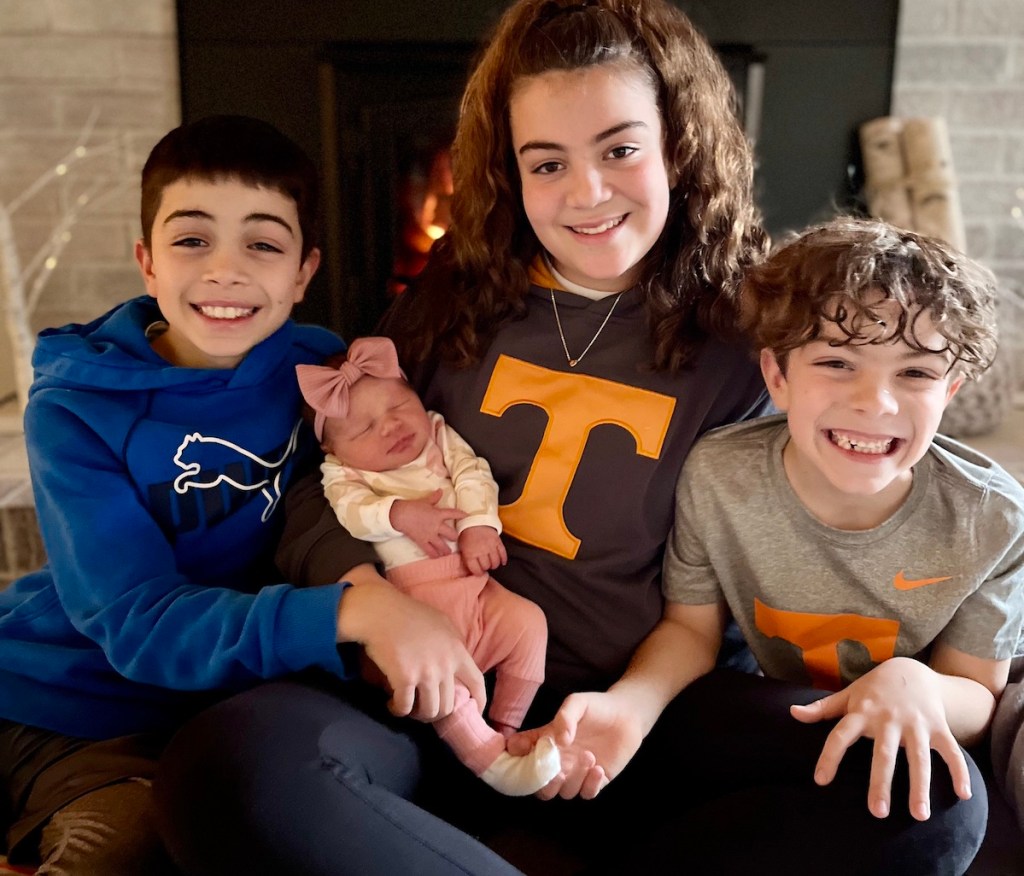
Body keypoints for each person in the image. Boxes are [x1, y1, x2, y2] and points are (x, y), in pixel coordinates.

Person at [154, 1, 774, 873]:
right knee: (222, 772)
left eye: (621, 149)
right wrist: (375, 604)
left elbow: (721, 602)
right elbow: (315, 488)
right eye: (546, 162)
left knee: (923, 804)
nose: (587, 193)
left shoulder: (745, 344)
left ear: (680, 143)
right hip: (424, 696)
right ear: (509, 173)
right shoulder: (458, 290)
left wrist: (630, 709)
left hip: (625, 729)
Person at [0, 114, 492, 875]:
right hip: (69, 699)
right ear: (147, 261)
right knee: (126, 851)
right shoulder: (75, 411)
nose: (226, 270)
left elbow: (336, 497)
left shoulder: (320, 371)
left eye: (262, 243)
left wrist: (391, 571)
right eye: (192, 240)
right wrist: (354, 610)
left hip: (224, 702)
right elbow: (136, 621)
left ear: (304, 270)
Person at [651, 218, 1021, 872]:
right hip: (765, 715)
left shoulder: (990, 518)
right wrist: (626, 704)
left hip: (899, 730)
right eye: (836, 362)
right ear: (778, 376)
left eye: (913, 373)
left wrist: (915, 684)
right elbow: (690, 632)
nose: (873, 402)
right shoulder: (719, 475)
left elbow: (975, 697)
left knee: (947, 804)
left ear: (950, 391)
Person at [296, 336, 559, 795]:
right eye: (363, 429)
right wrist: (399, 513)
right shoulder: (344, 473)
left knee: (529, 623)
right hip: (413, 601)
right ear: (333, 451)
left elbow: (472, 471)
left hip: (474, 585)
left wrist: (481, 526)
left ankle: (505, 724)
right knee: (442, 681)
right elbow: (350, 511)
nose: (391, 426)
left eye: (399, 404)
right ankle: (490, 763)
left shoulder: (437, 432)